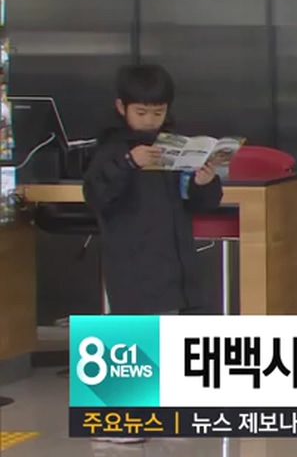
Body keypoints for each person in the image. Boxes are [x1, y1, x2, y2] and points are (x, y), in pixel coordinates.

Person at [83, 65, 222, 445]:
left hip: (173, 252)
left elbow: (199, 202)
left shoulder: (174, 147)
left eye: (157, 112)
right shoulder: (112, 150)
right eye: (141, 112)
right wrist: (130, 164)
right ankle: (115, 422)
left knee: (172, 330)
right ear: (121, 107)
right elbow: (97, 195)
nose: (149, 120)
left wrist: (204, 182)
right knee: (130, 329)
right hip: (132, 253)